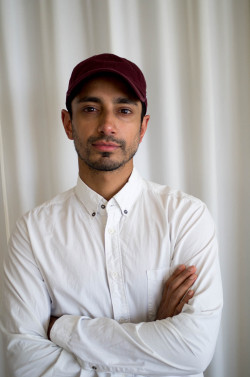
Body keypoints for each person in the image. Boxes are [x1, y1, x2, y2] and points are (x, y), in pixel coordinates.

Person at [0, 53, 223, 377]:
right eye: (90, 109)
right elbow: (25, 362)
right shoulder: (32, 233)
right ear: (68, 123)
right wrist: (155, 333)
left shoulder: (186, 216)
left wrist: (62, 329)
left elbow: (193, 351)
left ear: (143, 126)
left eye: (124, 110)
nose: (107, 125)